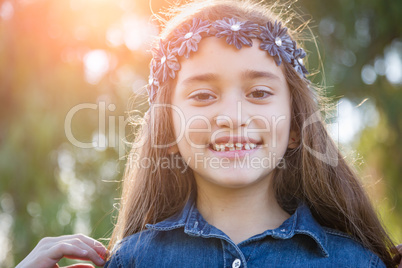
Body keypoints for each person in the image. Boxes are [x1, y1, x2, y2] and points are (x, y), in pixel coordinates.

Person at [16, 0, 402, 267]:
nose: (232, 116)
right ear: (168, 125)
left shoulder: (357, 262)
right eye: (203, 95)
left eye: (259, 93)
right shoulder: (130, 262)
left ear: (296, 127)